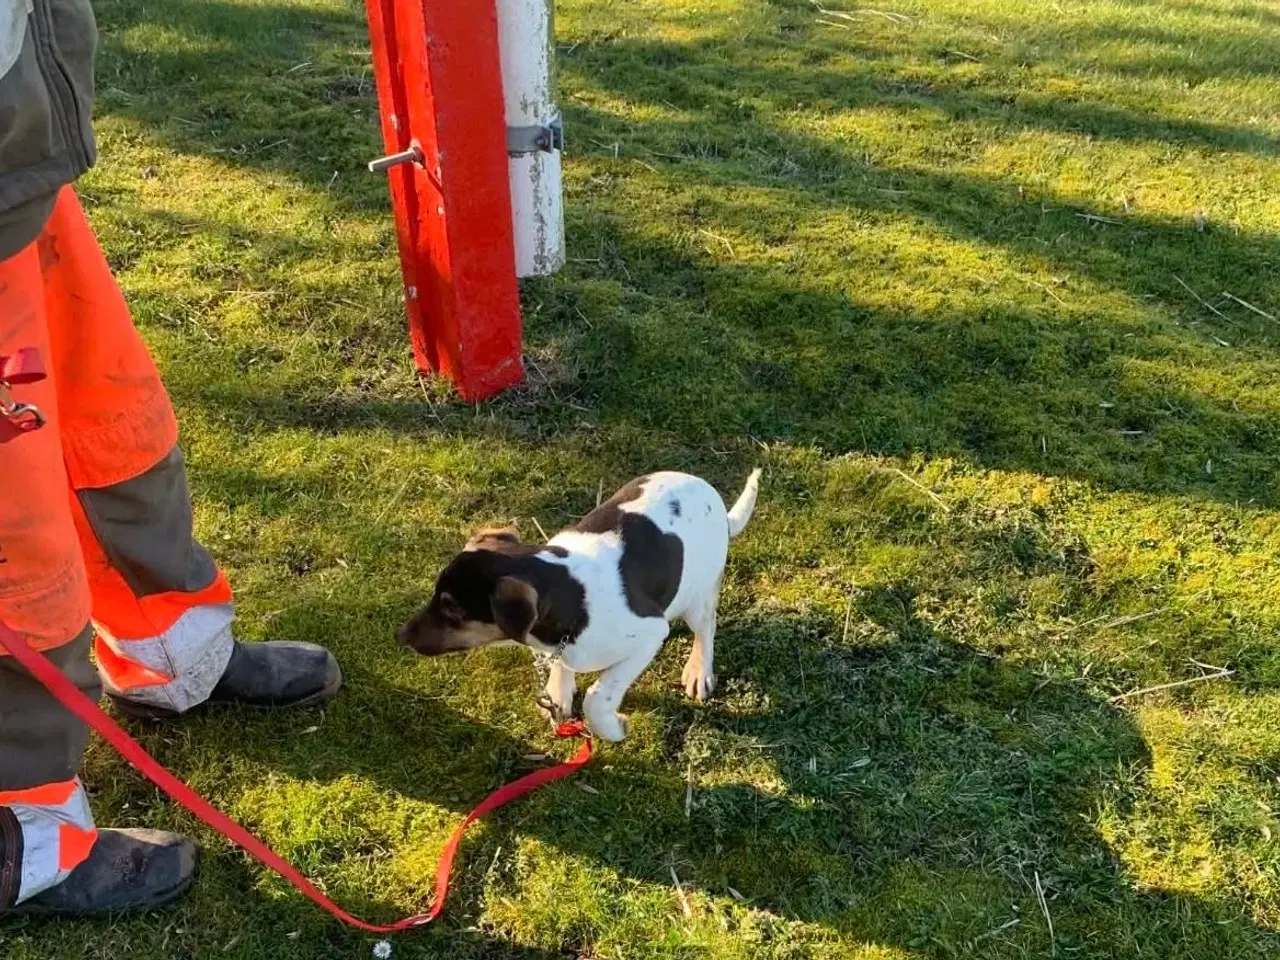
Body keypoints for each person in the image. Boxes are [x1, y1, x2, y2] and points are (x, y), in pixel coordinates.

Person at [0, 0, 344, 916]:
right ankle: (22, 838)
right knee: (10, 542)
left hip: (18, 161)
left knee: (107, 422)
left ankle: (172, 649)